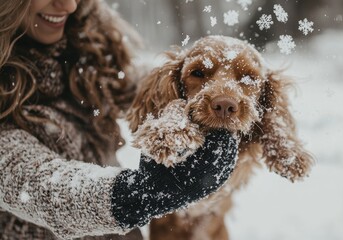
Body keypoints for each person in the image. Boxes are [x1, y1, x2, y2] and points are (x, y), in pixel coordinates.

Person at [0, 1, 238, 239]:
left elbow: (141, 87)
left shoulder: (84, 44)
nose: (69, 5)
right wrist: (137, 193)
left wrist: (204, 84)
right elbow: (34, 185)